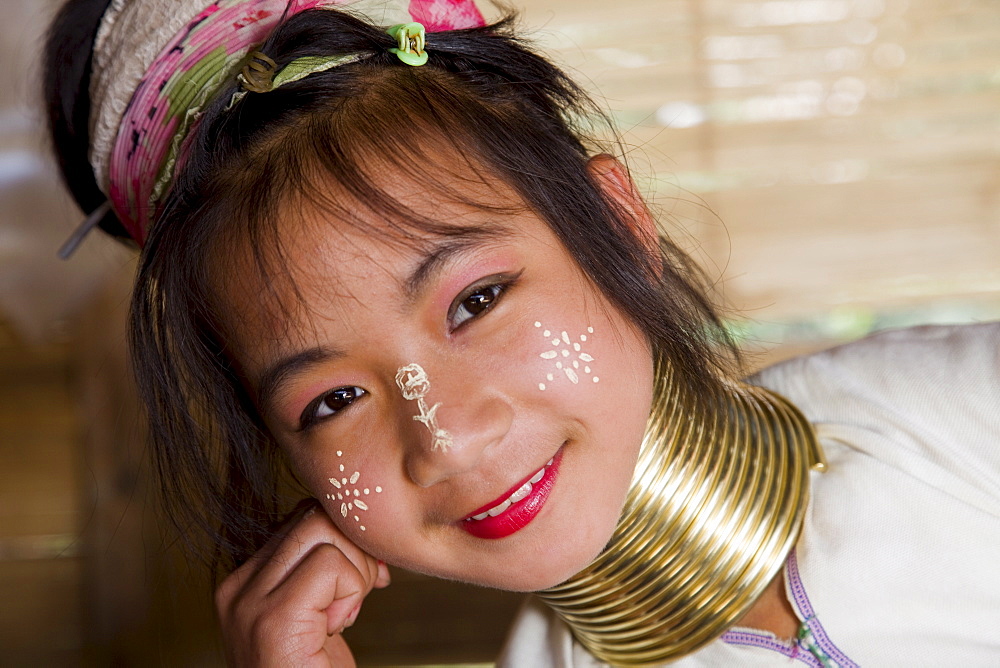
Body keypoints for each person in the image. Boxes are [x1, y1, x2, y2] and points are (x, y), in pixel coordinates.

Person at [44, 0, 1000, 666]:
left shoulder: (962, 415)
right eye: (332, 401)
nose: (444, 436)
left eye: (475, 301)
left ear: (615, 220)